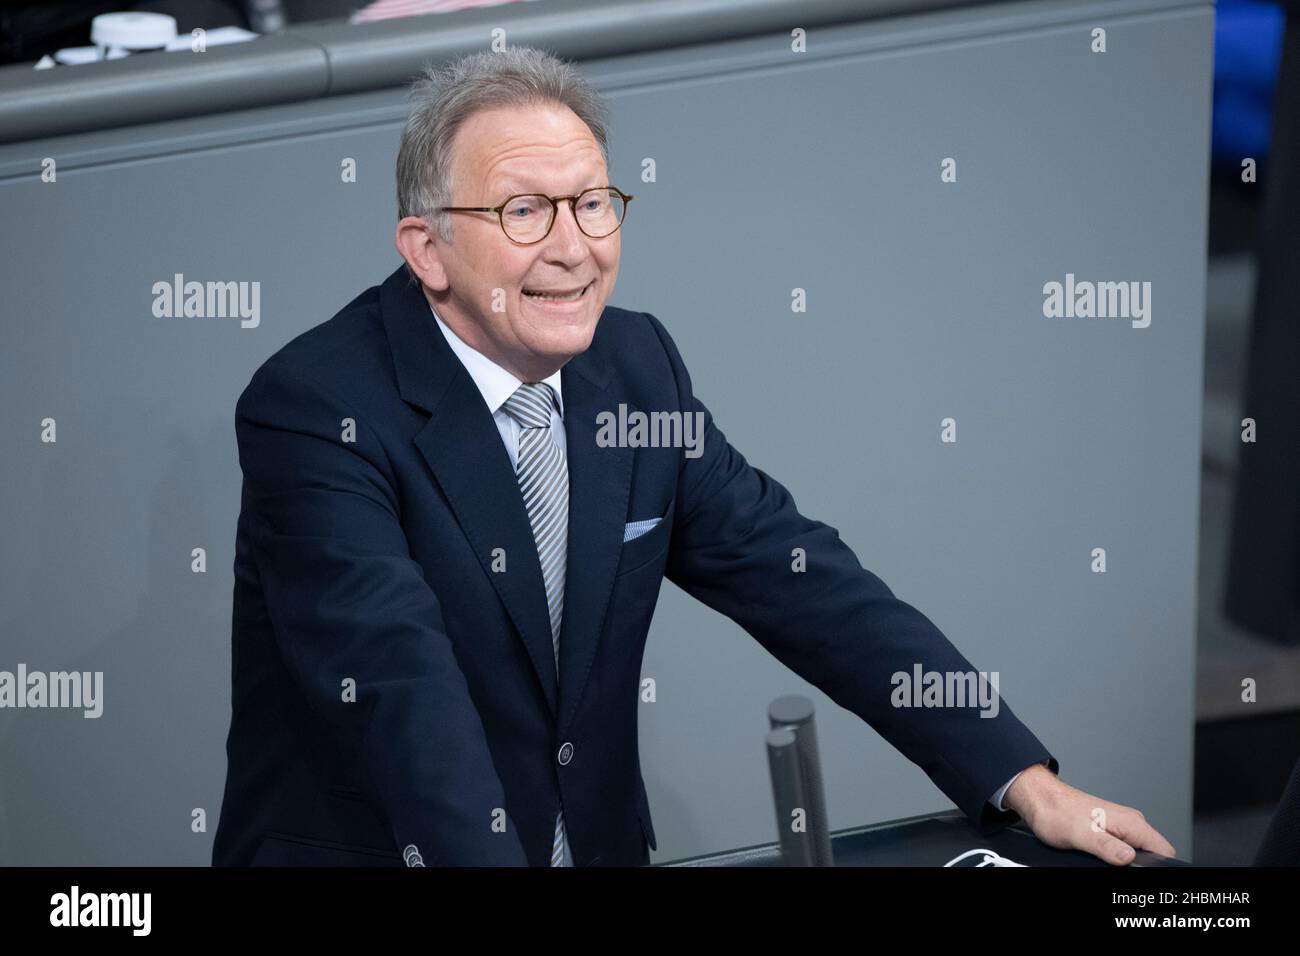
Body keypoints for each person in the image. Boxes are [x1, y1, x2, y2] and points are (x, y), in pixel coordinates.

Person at [212, 46, 1175, 867]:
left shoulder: (634, 368)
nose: (575, 248)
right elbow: (401, 700)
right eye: (525, 213)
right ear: (426, 248)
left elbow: (801, 578)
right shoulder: (318, 410)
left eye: (594, 204)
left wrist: (1024, 779)